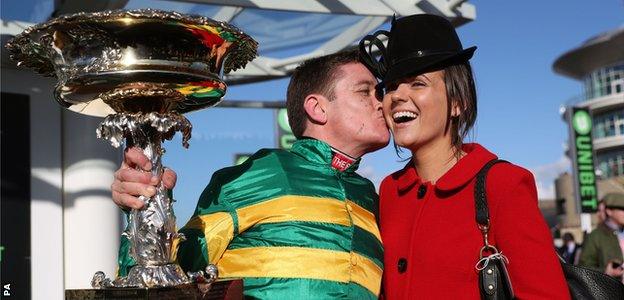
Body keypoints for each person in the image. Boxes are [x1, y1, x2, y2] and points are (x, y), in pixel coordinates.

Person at [111, 50, 390, 299]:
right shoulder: (263, 172)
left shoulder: (372, 196)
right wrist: (144, 206)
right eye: (365, 92)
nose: (382, 103)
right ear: (318, 108)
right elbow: (171, 276)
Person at [360, 14, 570, 298]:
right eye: (392, 85)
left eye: (417, 83)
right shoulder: (388, 191)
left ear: (458, 103)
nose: (397, 95)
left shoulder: (503, 184)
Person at [579, 193, 624, 281]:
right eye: (622, 209)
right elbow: (584, 268)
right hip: (613, 291)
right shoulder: (595, 236)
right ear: (609, 211)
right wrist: (606, 272)